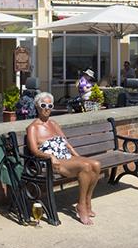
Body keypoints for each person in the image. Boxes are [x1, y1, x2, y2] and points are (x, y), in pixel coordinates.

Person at [27, 92, 101, 225]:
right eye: (43, 105)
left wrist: (77, 156)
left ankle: (87, 201)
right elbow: (34, 150)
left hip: (66, 156)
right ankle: (81, 206)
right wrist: (49, 156)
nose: (47, 108)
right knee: (85, 167)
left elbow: (66, 142)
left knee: (95, 164)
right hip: (53, 162)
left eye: (50, 105)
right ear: (37, 106)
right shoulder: (33, 128)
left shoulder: (54, 123)